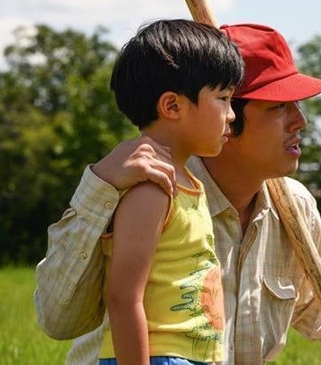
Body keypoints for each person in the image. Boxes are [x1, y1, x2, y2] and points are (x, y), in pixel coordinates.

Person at [34, 23, 321, 365]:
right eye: (277, 107)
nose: (300, 121)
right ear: (229, 115)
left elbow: (311, 294)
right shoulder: (151, 187)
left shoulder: (296, 206)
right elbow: (58, 320)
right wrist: (98, 187)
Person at [95, 19, 243, 365]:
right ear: (173, 106)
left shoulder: (190, 184)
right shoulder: (151, 188)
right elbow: (122, 297)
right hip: (158, 356)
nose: (232, 115)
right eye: (223, 99)